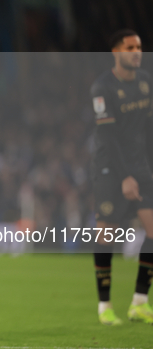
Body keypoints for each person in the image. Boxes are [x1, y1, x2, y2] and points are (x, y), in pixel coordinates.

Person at [91, 29, 153, 325]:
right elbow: (108, 135)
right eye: (130, 47)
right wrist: (126, 176)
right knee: (107, 235)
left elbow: (148, 129)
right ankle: (105, 307)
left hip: (141, 167)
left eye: (139, 47)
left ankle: (140, 301)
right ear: (116, 52)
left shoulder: (145, 83)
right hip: (110, 168)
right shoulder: (102, 88)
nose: (137, 52)